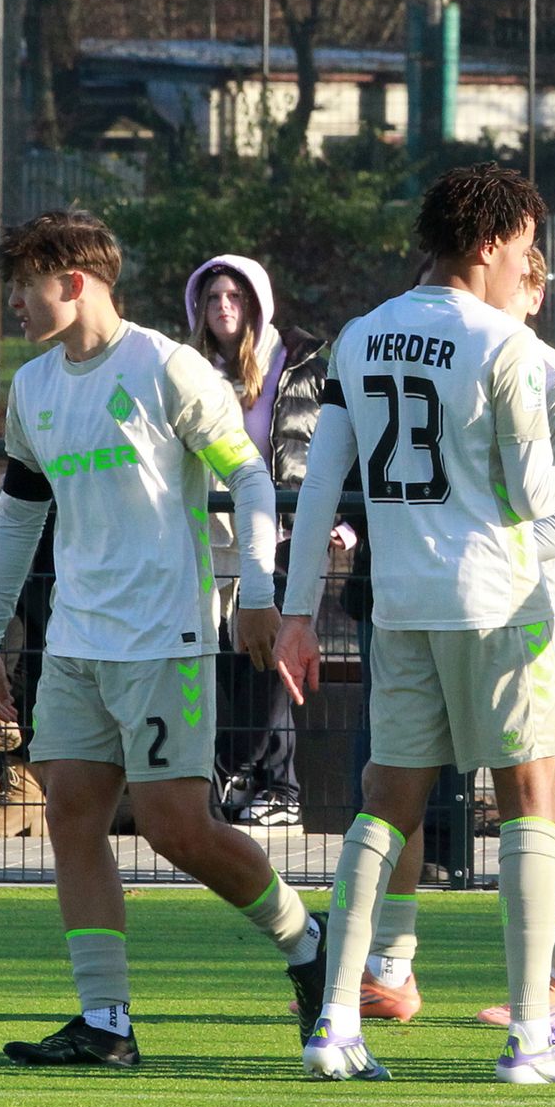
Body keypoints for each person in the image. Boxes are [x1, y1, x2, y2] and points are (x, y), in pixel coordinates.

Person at [275, 163, 555, 1084]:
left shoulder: (361, 335)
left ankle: (336, 1027)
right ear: (486, 245)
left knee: (381, 809)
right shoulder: (503, 347)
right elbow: (538, 491)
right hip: (500, 605)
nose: (527, 268)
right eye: (521, 249)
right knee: (530, 802)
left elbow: (319, 487)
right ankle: (534, 1038)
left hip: (401, 610)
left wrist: (295, 611)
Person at [0, 210, 322, 1069]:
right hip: (77, 646)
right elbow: (18, 517)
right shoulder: (35, 387)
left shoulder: (167, 368)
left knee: (177, 829)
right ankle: (107, 1022)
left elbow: (250, 474)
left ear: (75, 282)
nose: (13, 302)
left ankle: (310, 943)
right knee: (70, 817)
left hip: (166, 639)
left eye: (24, 285)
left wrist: (258, 593)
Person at [355, 246, 555, 1030]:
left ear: (535, 291)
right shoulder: (444, 354)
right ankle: (388, 965)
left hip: (532, 615)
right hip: (434, 607)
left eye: (524, 283)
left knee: (546, 794)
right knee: (393, 782)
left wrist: (479, 551)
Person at [186, 254, 326, 828]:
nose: (223, 306)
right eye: (213, 296)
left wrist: (337, 522)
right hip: (218, 537)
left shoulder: (301, 361)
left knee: (273, 661)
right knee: (227, 661)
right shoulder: (188, 369)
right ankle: (246, 781)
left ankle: (281, 787)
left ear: (256, 304)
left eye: (235, 297)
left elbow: (328, 445)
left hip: (289, 531)